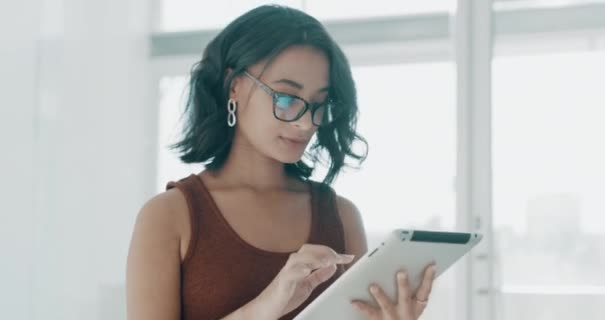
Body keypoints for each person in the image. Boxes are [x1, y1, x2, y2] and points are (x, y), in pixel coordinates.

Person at [126, 5, 436, 320]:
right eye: (286, 99)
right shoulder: (169, 216)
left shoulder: (341, 217)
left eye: (318, 104)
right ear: (234, 84)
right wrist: (268, 305)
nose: (305, 124)